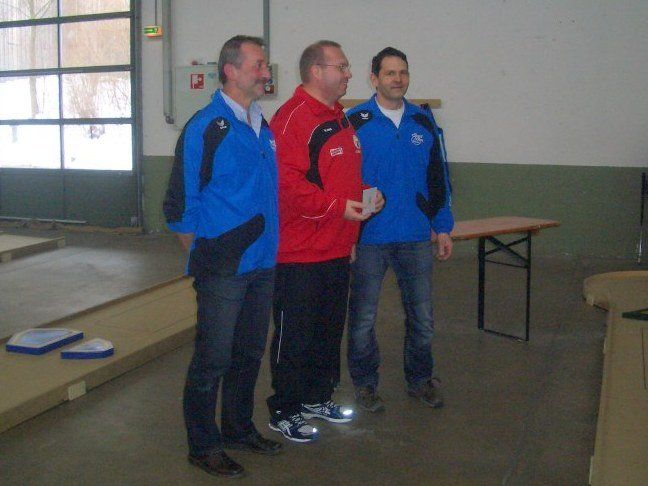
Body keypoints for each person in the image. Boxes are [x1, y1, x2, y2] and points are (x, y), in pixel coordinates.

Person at [163, 35, 281, 478]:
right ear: (231, 70)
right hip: (224, 269)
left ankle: (237, 428)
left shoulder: (261, 125)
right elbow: (180, 203)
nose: (266, 72)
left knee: (249, 353)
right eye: (258, 65)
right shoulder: (207, 127)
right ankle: (203, 445)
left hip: (262, 263)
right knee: (213, 359)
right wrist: (205, 255)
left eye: (265, 65)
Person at [266, 40, 384, 443]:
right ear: (316, 72)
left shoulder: (340, 118)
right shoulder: (293, 119)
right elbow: (287, 186)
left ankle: (316, 397)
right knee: (295, 335)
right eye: (342, 67)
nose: (349, 74)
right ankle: (285, 409)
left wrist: (367, 195)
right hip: (299, 252)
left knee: (327, 332)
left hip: (336, 248)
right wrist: (337, 207)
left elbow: (338, 181)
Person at [346, 47, 454, 413]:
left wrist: (442, 226)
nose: (398, 79)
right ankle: (365, 385)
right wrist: (347, 235)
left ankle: (420, 380)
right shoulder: (354, 122)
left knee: (422, 319)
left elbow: (438, 178)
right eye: (390, 73)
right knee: (363, 320)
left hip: (414, 236)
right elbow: (342, 181)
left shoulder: (422, 122)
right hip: (369, 239)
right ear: (374, 79)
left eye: (403, 72)